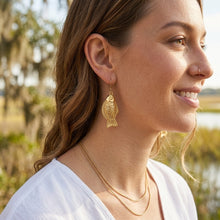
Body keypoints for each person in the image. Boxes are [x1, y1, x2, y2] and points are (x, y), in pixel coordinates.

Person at [0, 0, 213, 219]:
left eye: (202, 44)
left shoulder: (175, 192)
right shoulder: (40, 211)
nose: (207, 68)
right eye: (179, 40)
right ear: (103, 57)